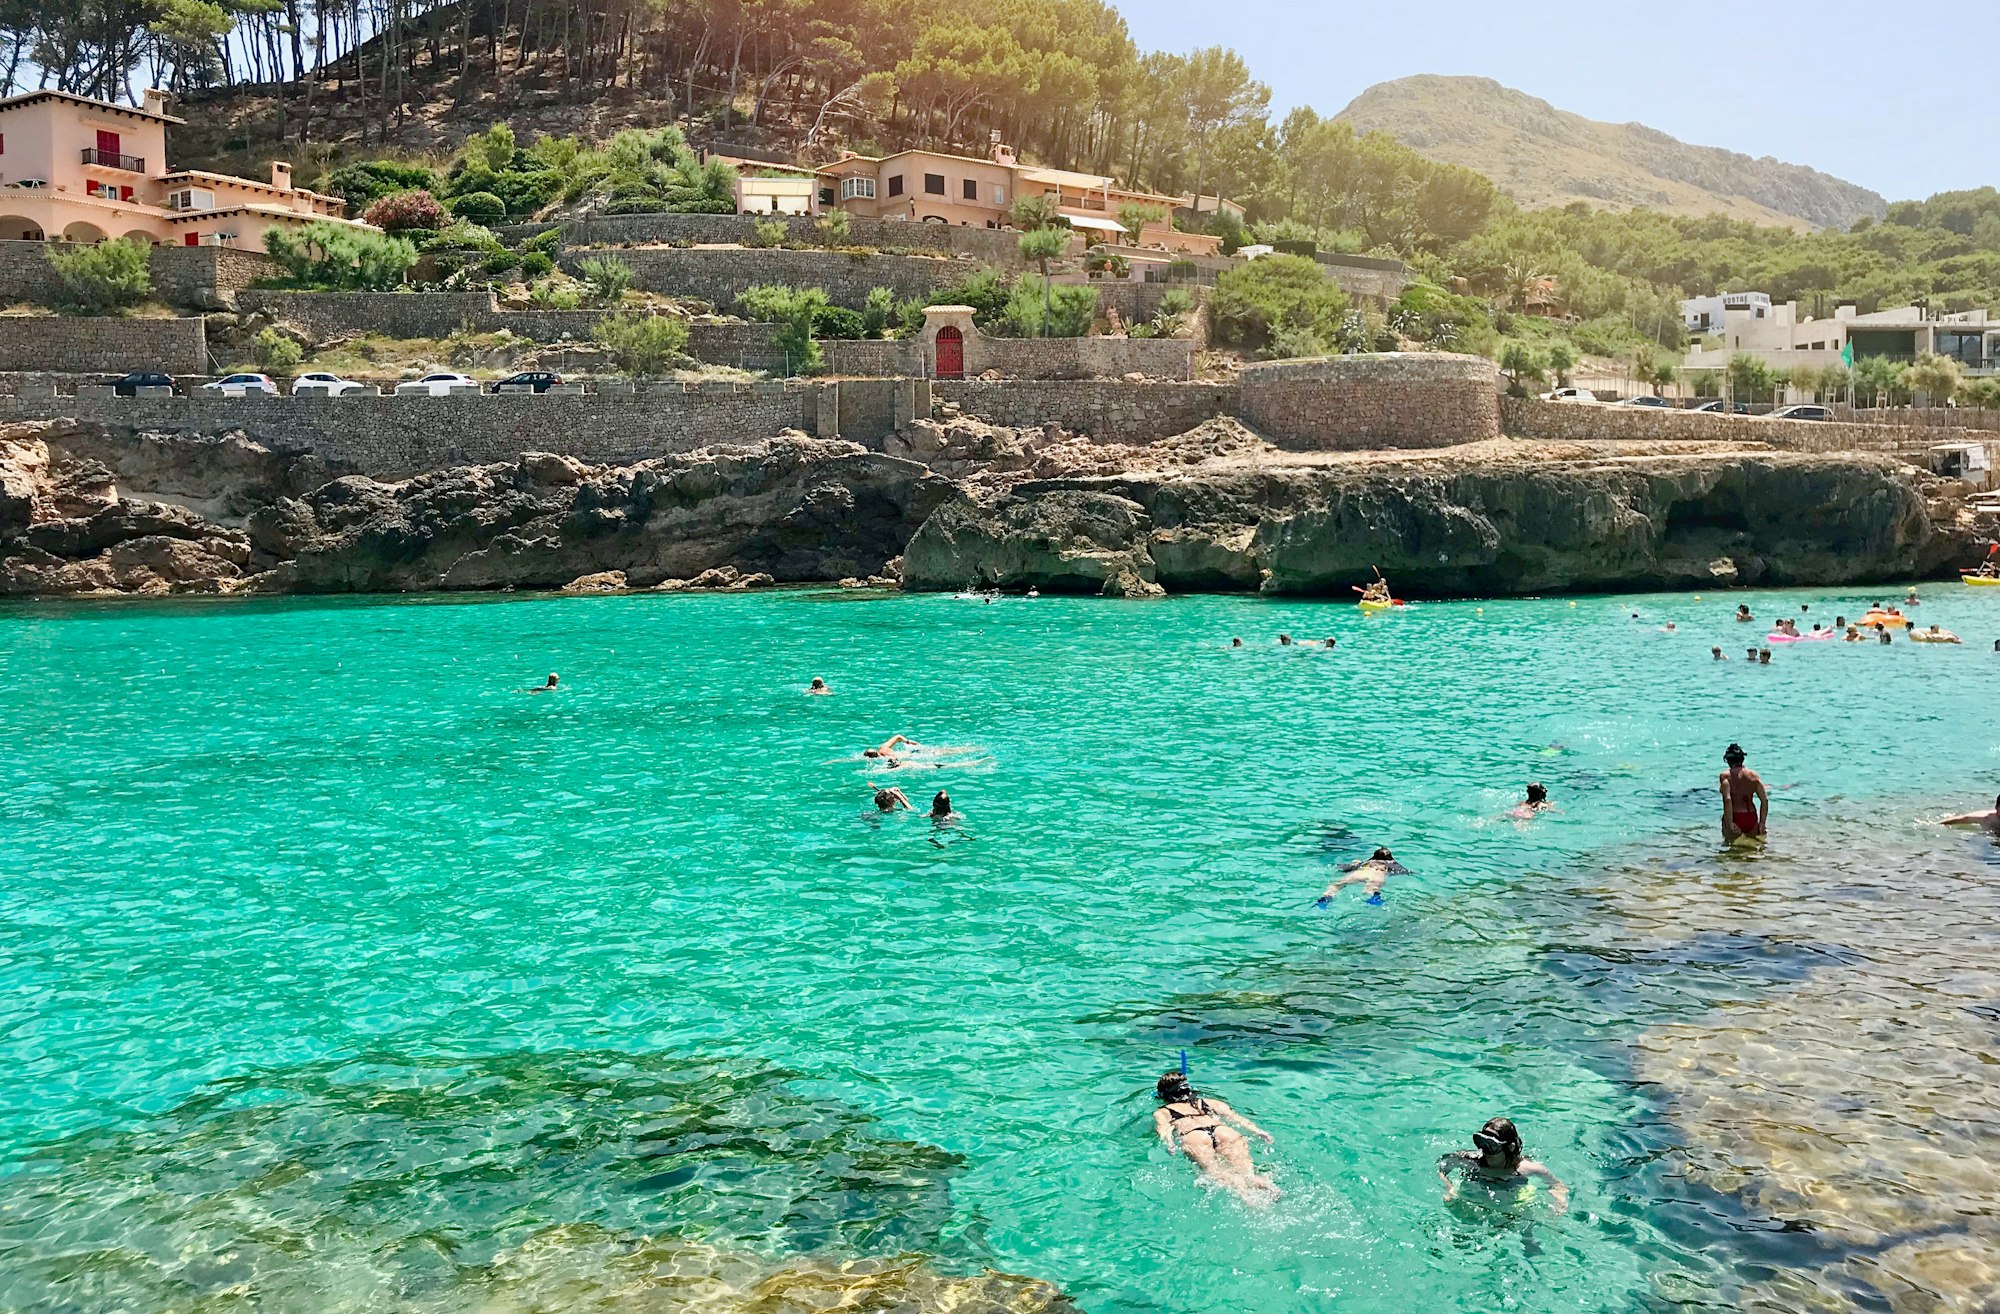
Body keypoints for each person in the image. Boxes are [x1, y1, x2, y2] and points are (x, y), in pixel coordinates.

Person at [1152, 1071, 1278, 1206]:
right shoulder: (1209, 1102)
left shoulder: (1163, 1111)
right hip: (1223, 1131)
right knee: (1248, 1174)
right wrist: (1258, 1131)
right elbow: (1235, 1117)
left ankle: (1248, 1198)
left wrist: (1169, 1144)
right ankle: (1269, 1187)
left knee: (1215, 1173)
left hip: (1195, 1135)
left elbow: (1163, 1129)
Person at [1437, 1117, 1568, 1215]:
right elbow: (1442, 1167)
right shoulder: (1470, 1161)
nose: (1485, 1150)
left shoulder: (1527, 1168)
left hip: (1509, 1209)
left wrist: (1559, 1201)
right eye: (1481, 1143)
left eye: (1492, 1146)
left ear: (1509, 1148)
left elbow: (1558, 1185)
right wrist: (1449, 1188)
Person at [1316, 847, 1410, 906]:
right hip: (1376, 875)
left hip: (1360, 873)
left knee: (1337, 885)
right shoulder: (1392, 864)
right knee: (1371, 889)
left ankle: (1325, 898)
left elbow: (1345, 867)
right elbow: (1404, 871)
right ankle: (1374, 898)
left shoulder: (1366, 863)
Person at [1720, 743, 1768, 844]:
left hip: (1736, 816)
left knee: (1731, 849)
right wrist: (1762, 823)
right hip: (1751, 816)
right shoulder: (1753, 776)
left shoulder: (1726, 776)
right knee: (1752, 849)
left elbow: (1727, 800)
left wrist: (1729, 823)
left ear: (1728, 760)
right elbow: (1764, 800)